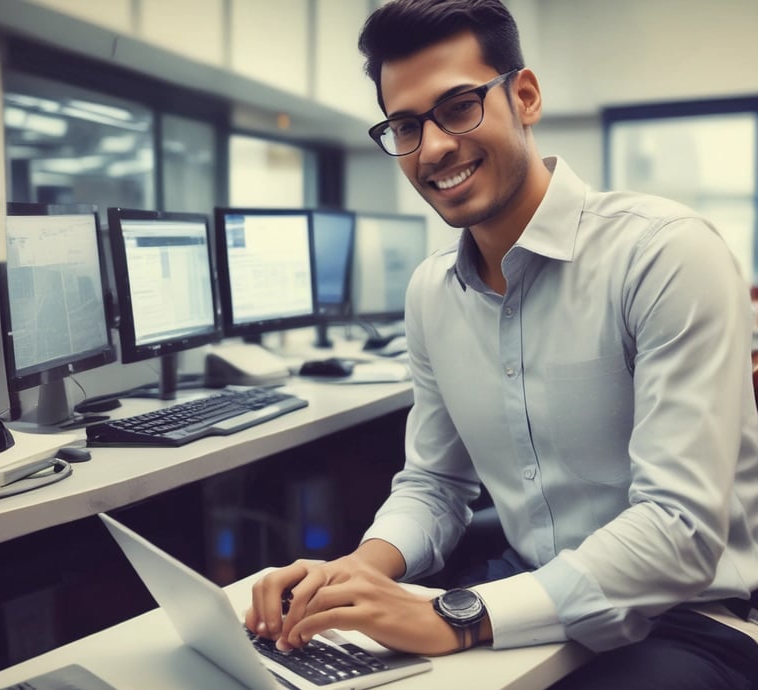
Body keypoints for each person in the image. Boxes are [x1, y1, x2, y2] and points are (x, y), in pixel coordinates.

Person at [245, 1, 758, 687]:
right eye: (405, 125)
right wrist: (357, 573)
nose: (432, 148)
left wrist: (457, 617)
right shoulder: (432, 293)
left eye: (458, 107)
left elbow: (678, 528)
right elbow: (434, 483)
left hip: (687, 618)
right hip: (520, 593)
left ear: (526, 96)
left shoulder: (664, 254)